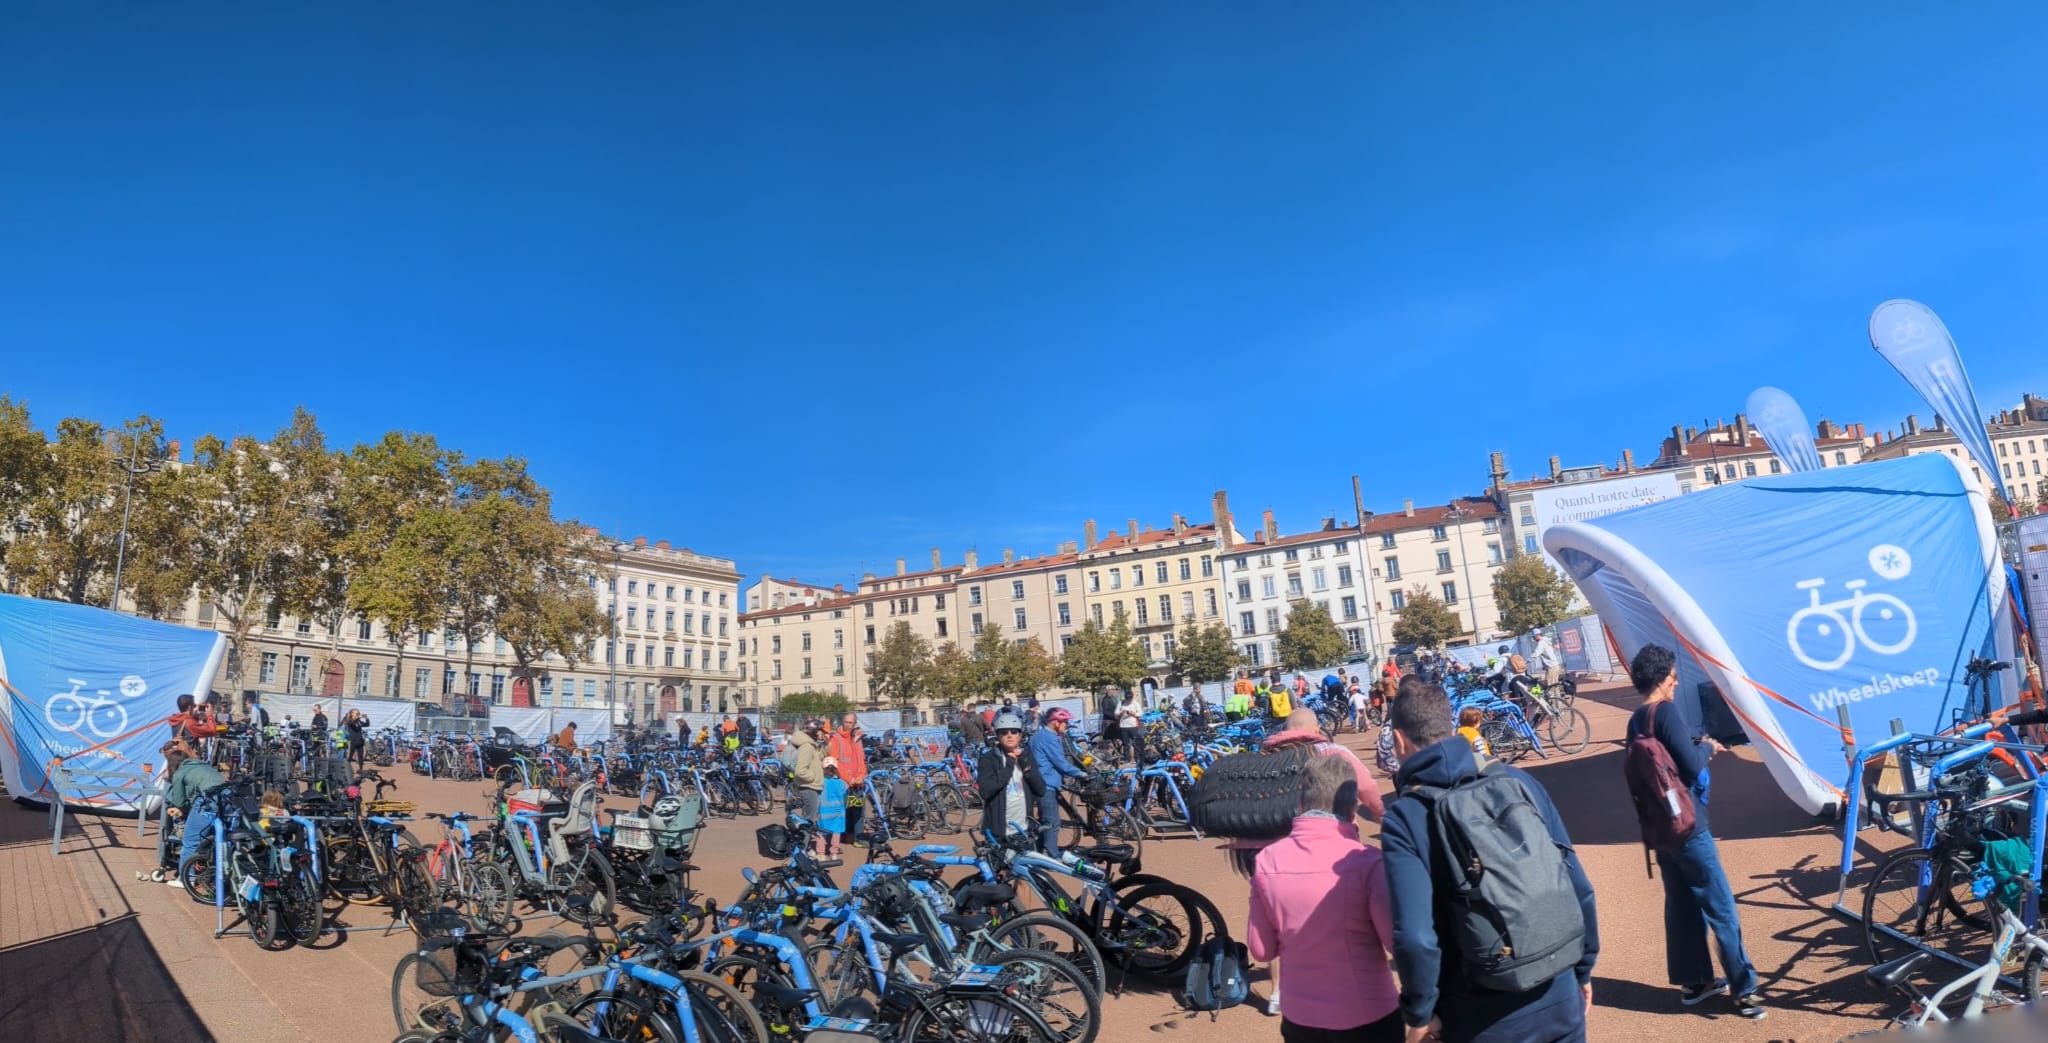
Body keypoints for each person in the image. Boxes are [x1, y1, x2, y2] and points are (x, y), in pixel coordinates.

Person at [1381, 678, 1598, 1042]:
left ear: (1400, 740)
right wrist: (1584, 966)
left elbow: (1417, 937)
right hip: (1558, 990)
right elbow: (1577, 884)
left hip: (1479, 1013)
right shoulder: (1517, 780)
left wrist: (1420, 1013)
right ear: (1450, 726)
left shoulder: (1406, 816)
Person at [1626, 644, 1764, 1020]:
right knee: (1720, 906)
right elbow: (1688, 766)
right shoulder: (1665, 712)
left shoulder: (1636, 720)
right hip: (1689, 826)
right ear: (1660, 679)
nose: (1674, 686)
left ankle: (1695, 981)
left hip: (1660, 830)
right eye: (1672, 679)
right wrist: (1706, 748)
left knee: (1682, 906)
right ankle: (1744, 989)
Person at [1247, 755, 1402, 1042]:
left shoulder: (1267, 860)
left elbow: (1261, 950)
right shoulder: (1367, 862)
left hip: (1300, 1018)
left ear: (1302, 803)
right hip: (1369, 1015)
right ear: (1353, 808)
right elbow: (1395, 941)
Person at [162, 739, 227, 888]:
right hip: (226, 797)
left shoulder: (180, 773)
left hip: (207, 800)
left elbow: (179, 801)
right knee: (219, 838)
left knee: (190, 841)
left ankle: (186, 879)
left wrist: (180, 808)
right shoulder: (203, 765)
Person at [975, 711, 1044, 843]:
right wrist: (1009, 766)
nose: (1009, 736)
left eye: (1013, 731)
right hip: (998, 831)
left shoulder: (1026, 756)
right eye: (1004, 732)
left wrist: (1025, 765)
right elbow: (986, 792)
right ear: (998, 735)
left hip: (1024, 829)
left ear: (1020, 735)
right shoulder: (988, 759)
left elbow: (1040, 789)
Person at [1028, 707, 1085, 855]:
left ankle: (1039, 850)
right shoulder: (1049, 738)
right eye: (1064, 721)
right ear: (1055, 722)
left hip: (1040, 781)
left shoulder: (1039, 735)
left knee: (1044, 820)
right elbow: (1060, 763)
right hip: (1047, 783)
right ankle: (1052, 855)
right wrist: (1080, 773)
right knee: (1052, 822)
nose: (1066, 724)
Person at [829, 714, 870, 846]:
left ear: (854, 724)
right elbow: (836, 761)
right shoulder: (836, 738)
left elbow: (861, 760)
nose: (848, 724)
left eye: (850, 723)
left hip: (858, 780)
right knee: (845, 810)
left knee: (858, 810)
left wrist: (861, 776)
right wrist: (849, 779)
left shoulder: (858, 738)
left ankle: (858, 838)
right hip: (844, 781)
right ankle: (848, 835)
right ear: (842, 722)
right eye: (846, 722)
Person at [788, 719, 827, 825]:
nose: (821, 733)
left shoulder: (811, 746)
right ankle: (804, 841)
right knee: (809, 822)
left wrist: (826, 745)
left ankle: (805, 840)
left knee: (809, 820)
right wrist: (813, 777)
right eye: (820, 730)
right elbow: (800, 771)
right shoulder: (807, 747)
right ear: (814, 731)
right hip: (809, 788)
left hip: (812, 787)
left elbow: (818, 758)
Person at [818, 759, 848, 857]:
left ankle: (821, 853)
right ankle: (834, 853)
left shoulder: (821, 782)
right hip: (839, 811)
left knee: (821, 832)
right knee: (836, 832)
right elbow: (845, 796)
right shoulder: (842, 783)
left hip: (824, 811)